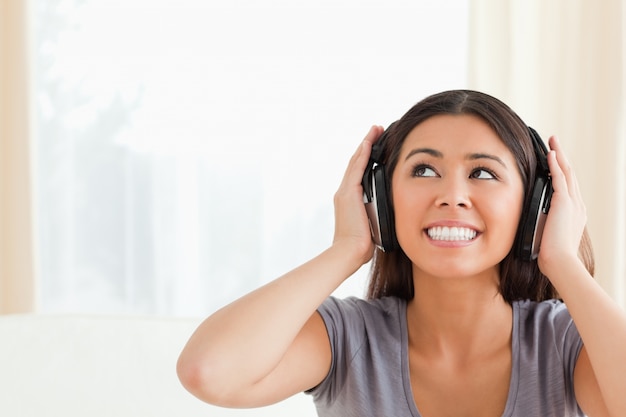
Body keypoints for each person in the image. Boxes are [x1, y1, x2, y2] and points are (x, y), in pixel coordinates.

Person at [176, 90, 626, 417]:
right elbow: (207, 371)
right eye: (424, 169)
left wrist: (563, 261)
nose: (452, 196)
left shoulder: (566, 343)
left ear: (534, 208)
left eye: (483, 173)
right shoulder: (347, 339)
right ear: (382, 200)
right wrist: (348, 249)